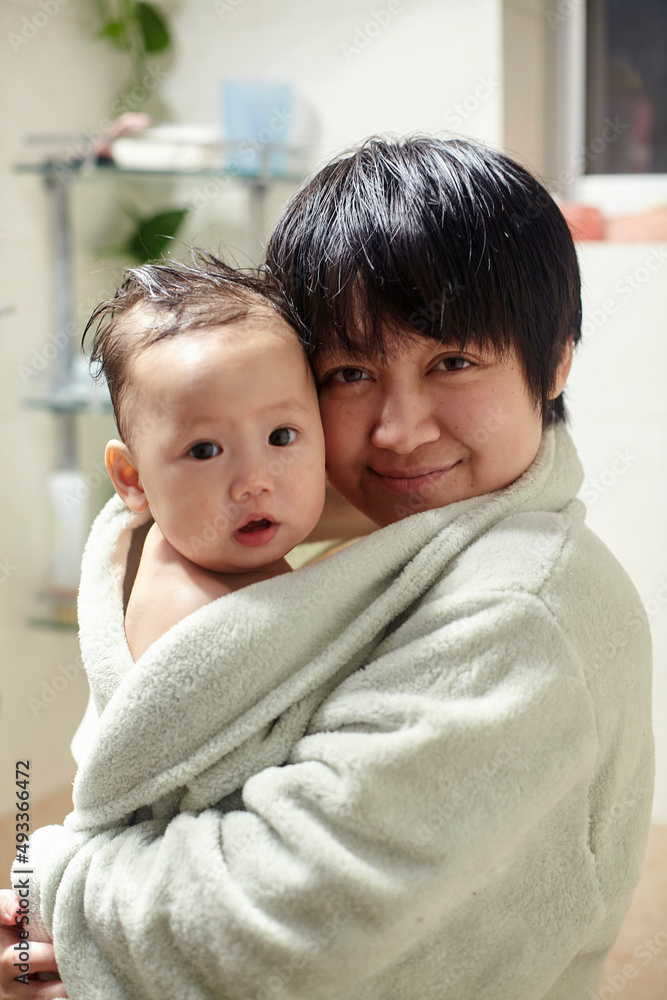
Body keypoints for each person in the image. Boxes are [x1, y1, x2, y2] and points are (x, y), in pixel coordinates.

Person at [0, 136, 654, 1000]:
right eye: (349, 373)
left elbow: (283, 913)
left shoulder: (517, 609)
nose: (397, 429)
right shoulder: (394, 534)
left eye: (451, 361)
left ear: (555, 358)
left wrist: (52, 883)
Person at [82, 254, 326, 660]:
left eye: (280, 437)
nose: (254, 480)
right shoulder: (196, 620)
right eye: (204, 450)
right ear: (133, 479)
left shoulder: (223, 561)